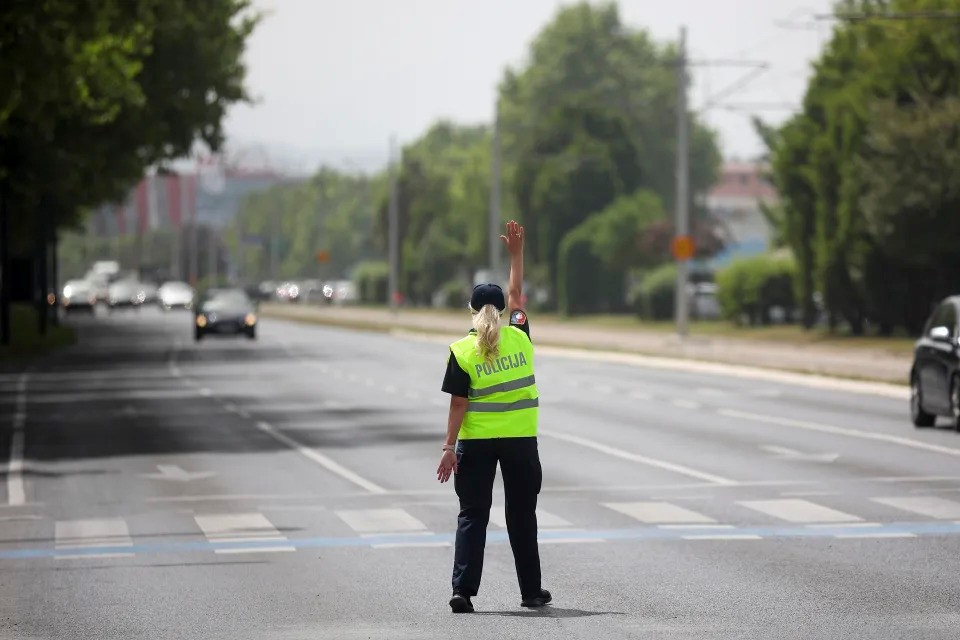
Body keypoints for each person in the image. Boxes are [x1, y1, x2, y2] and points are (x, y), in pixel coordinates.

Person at [436, 219, 551, 614]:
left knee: (472, 515)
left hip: (477, 444)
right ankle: (531, 592)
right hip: (520, 442)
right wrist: (516, 253)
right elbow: (517, 291)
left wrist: (449, 447)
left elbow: (457, 403)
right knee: (522, 516)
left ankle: (463, 592)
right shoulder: (519, 335)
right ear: (502, 311)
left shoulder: (462, 351)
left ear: (470, 311)